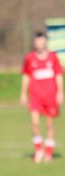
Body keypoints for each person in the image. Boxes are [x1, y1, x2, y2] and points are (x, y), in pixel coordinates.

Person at [20, 32, 64, 163]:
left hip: (50, 96)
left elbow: (59, 75)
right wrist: (23, 93)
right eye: (38, 42)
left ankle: (49, 152)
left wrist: (60, 92)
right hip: (35, 96)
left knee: (50, 125)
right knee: (35, 123)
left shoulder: (53, 57)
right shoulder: (29, 58)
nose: (40, 44)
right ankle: (39, 150)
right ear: (35, 43)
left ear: (45, 42)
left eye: (42, 42)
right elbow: (26, 75)